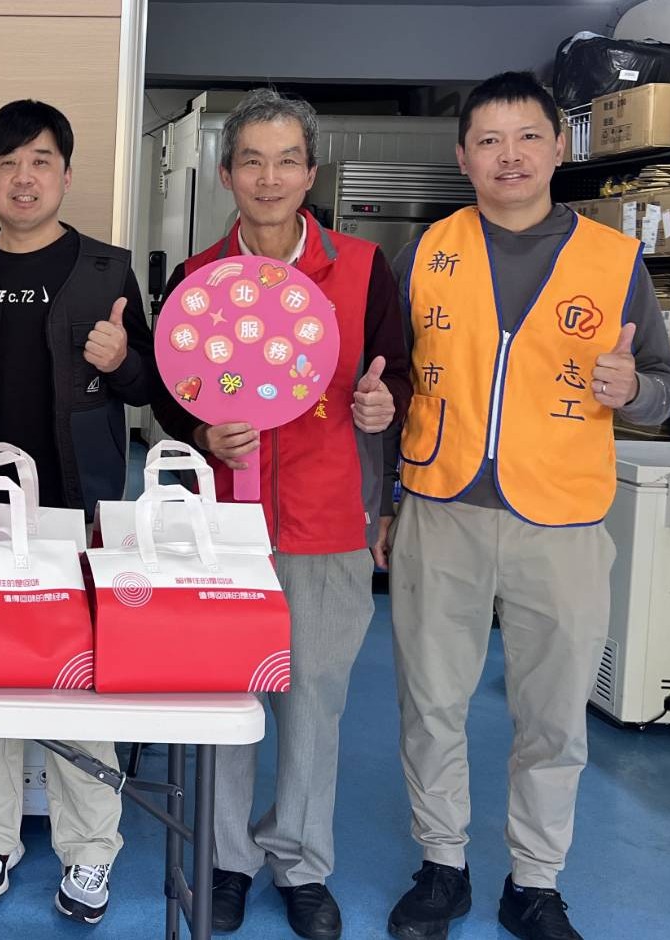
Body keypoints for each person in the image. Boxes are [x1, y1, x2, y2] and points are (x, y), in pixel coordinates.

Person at [384, 71, 670, 940]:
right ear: (463, 157)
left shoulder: (613, 260)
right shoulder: (428, 252)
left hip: (563, 518)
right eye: (488, 140)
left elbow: (664, 383)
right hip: (441, 506)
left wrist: (634, 390)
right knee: (430, 701)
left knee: (552, 716)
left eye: (526, 138)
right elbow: (389, 381)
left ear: (558, 147)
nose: (508, 156)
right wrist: (380, 498)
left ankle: (535, 881)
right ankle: (442, 865)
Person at [161, 88, 411, 940]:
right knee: (227, 698)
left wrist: (383, 404)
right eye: (252, 162)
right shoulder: (197, 279)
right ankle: (227, 860)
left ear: (310, 172)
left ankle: (301, 862)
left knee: (314, 702)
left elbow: (396, 373)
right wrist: (203, 432)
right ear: (226, 174)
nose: (269, 178)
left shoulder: (364, 268)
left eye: (287, 161)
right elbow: (172, 398)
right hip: (222, 533)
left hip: (328, 522)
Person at [0, 99, 162, 925]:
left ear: (66, 173)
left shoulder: (106, 269)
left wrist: (122, 361)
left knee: (81, 682)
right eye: (8, 163)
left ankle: (90, 848)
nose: (24, 178)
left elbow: (151, 388)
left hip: (76, 506)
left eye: (41, 161)